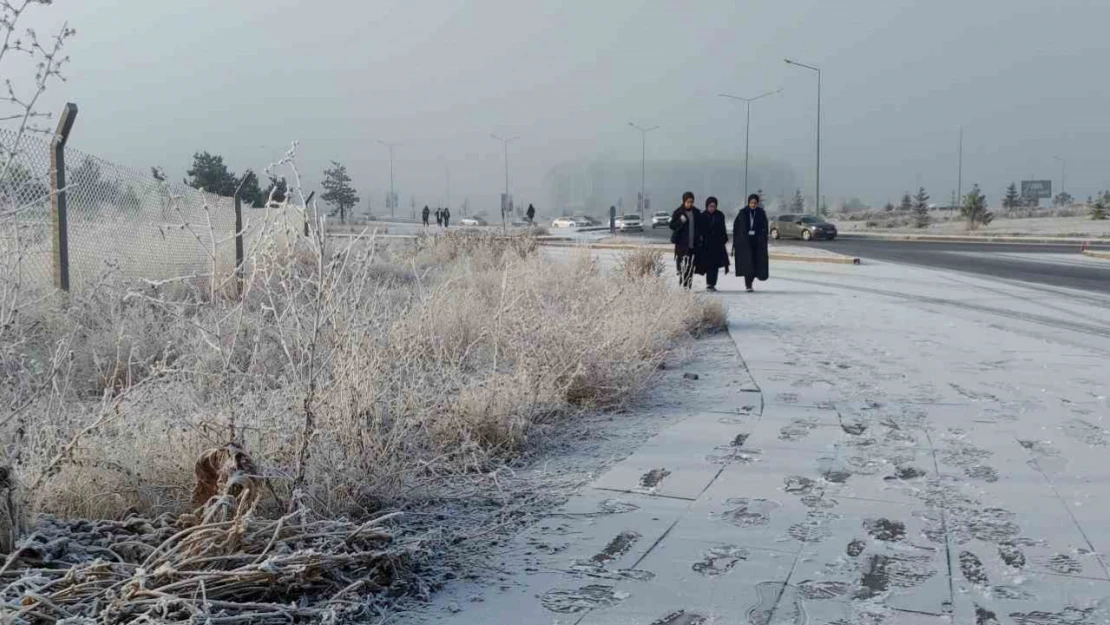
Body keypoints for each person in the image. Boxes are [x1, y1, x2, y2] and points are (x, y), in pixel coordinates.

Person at [733, 193, 770, 292]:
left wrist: (763, 238)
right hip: (746, 243)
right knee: (747, 265)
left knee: (756, 263)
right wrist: (737, 241)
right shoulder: (743, 213)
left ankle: (751, 282)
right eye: (751, 203)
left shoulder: (761, 213)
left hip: (757, 243)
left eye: (755, 203)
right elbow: (737, 227)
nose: (753, 205)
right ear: (748, 203)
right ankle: (748, 285)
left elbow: (765, 228)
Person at [696, 196, 729, 292]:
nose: (712, 208)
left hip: (717, 244)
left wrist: (723, 239)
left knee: (715, 266)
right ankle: (709, 283)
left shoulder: (719, 215)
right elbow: (699, 229)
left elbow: (723, 228)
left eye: (714, 206)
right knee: (708, 265)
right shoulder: (702, 215)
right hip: (706, 245)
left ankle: (712, 284)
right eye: (710, 206)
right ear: (707, 206)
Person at [669, 191, 699, 289]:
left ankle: (688, 286)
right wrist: (680, 221)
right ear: (684, 201)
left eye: (691, 202)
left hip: (693, 245)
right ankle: (682, 285)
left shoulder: (696, 212)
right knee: (683, 267)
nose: (690, 204)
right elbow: (672, 225)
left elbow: (700, 226)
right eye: (688, 202)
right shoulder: (678, 212)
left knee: (690, 267)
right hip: (682, 245)